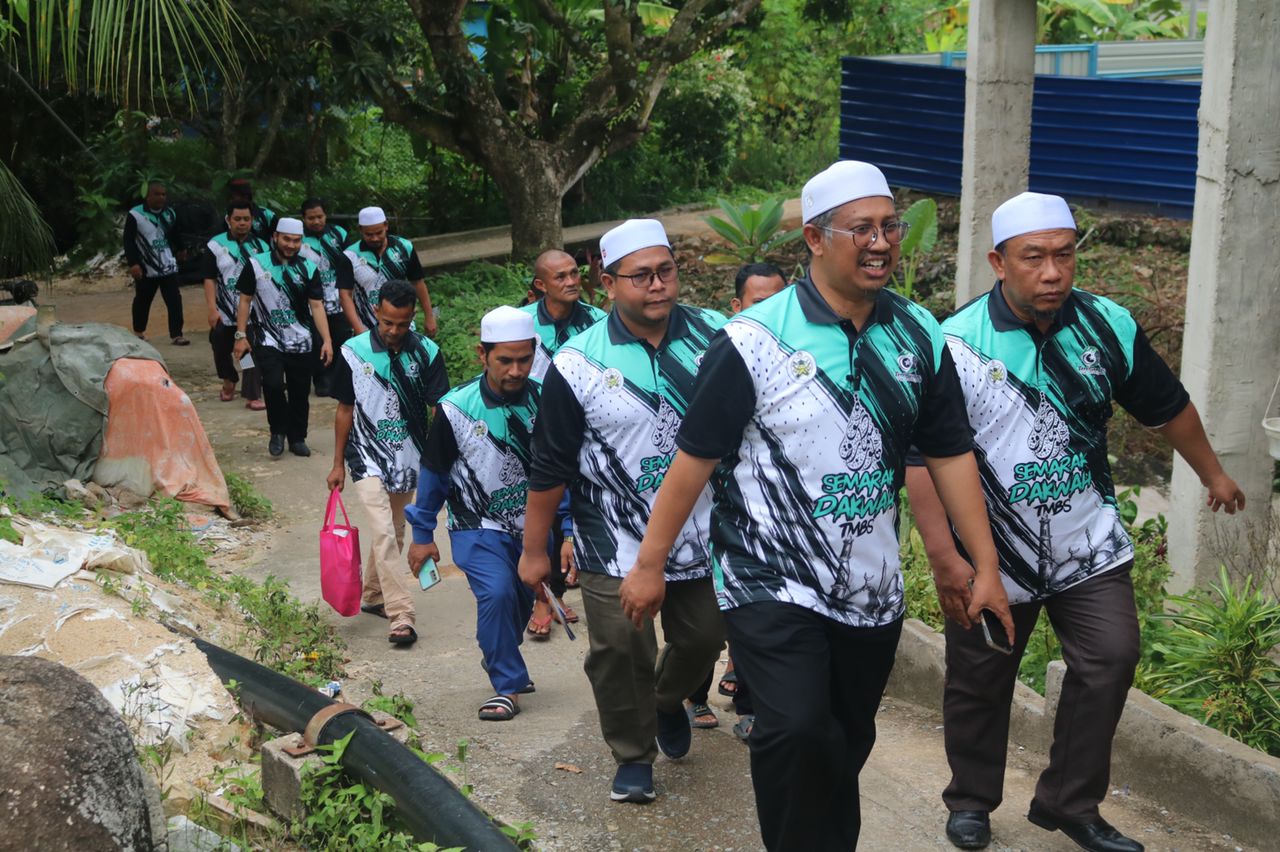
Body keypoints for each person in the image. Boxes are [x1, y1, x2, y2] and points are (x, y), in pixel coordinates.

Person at [622, 161, 1013, 851]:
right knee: (797, 727)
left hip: (870, 584)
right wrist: (651, 563)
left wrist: (982, 564)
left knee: (843, 739)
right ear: (814, 237)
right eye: (860, 228)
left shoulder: (918, 332)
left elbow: (949, 453)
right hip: (767, 578)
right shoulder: (754, 339)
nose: (881, 242)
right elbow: (694, 459)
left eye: (890, 226)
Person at [904, 191, 1246, 852]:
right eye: (1035, 258)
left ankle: (1070, 802)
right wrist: (946, 556)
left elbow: (1165, 405)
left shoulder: (1107, 325)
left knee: (1112, 658)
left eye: (1064, 256)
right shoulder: (954, 343)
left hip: (1086, 542)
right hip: (990, 552)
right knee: (981, 679)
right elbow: (924, 459)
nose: (1053, 272)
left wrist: (1212, 473)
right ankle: (971, 800)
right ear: (998, 262)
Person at [518, 218, 728, 805]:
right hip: (611, 536)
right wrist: (535, 550)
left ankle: (664, 701)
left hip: (704, 533)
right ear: (608, 285)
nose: (657, 285)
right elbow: (549, 465)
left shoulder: (718, 338)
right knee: (619, 649)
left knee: (705, 636)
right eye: (641, 276)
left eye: (666, 271)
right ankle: (633, 756)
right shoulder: (578, 363)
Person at [404, 306, 550, 717]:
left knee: (519, 601)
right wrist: (421, 536)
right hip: (476, 525)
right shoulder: (455, 410)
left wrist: (569, 529)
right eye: (506, 360)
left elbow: (562, 471)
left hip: (534, 527)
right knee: (498, 592)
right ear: (482, 355)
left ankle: (498, 651)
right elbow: (433, 475)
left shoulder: (547, 401)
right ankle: (507, 686)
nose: (517, 370)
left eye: (525, 359)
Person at [693, 261, 789, 734]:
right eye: (758, 302)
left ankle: (752, 707)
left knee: (762, 612)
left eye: (779, 300)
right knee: (705, 616)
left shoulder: (802, 359)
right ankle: (691, 694)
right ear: (736, 307)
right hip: (718, 509)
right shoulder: (721, 358)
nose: (771, 312)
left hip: (777, 520)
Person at [327, 279, 449, 646]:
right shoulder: (354, 351)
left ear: (412, 317)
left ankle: (373, 595)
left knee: (394, 529)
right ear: (376, 312)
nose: (394, 331)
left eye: (403, 323)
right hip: (364, 455)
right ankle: (402, 614)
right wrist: (337, 464)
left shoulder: (427, 352)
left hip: (410, 456)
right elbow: (344, 409)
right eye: (387, 322)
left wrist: (444, 462)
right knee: (382, 530)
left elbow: (439, 410)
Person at [518, 249, 607, 639]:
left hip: (585, 431)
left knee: (584, 506)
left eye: (575, 274)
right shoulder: (521, 324)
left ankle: (577, 583)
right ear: (541, 285)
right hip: (533, 433)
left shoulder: (599, 322)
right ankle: (543, 596)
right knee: (546, 510)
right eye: (561, 277)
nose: (572, 281)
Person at [233, 217, 333, 458]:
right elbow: (245, 300)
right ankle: (277, 432)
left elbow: (317, 306)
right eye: (286, 239)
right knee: (273, 384)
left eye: (296, 241)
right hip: (268, 338)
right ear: (275, 237)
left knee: (300, 390)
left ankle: (298, 437)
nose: (291, 245)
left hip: (302, 340)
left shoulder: (308, 268)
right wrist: (240, 335)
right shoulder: (256, 264)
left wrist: (327, 340)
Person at [202, 200, 268, 408]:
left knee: (249, 350)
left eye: (246, 219)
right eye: (237, 219)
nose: (242, 223)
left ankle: (252, 393)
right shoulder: (215, 245)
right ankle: (229, 379)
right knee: (220, 347)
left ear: (252, 221)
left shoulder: (262, 246)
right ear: (228, 220)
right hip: (223, 310)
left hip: (251, 311)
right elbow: (209, 278)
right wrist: (212, 309)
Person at [340, 206, 438, 338]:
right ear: (360, 230)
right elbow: (345, 295)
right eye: (369, 234)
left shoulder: (404, 247)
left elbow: (418, 282)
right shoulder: (350, 256)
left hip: (403, 324)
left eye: (379, 233)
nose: (375, 238)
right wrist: (359, 330)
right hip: (367, 326)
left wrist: (429, 316)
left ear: (386, 225)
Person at [300, 198, 354, 397]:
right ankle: (321, 378)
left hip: (337, 297)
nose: (316, 221)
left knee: (340, 338)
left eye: (320, 216)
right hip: (310, 301)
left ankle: (337, 378)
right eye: (311, 218)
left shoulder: (338, 234)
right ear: (303, 219)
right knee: (316, 341)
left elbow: (350, 262)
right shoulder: (298, 239)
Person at [124, 180, 188, 345]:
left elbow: (175, 234)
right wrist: (134, 264)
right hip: (146, 267)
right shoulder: (135, 215)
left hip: (168, 266)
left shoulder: (169, 214)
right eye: (157, 194)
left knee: (174, 300)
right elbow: (128, 241)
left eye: (164, 194)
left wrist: (182, 249)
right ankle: (138, 333)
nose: (161, 197)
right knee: (143, 300)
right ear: (148, 195)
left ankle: (177, 334)